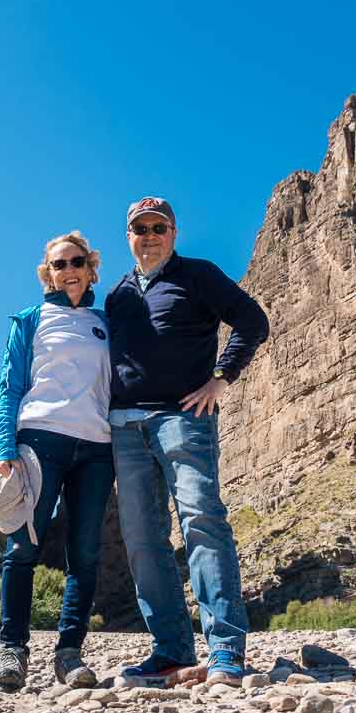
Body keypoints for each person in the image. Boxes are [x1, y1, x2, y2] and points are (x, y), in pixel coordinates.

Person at [106, 196, 269, 687]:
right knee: (142, 541)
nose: (150, 235)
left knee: (202, 523)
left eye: (159, 227)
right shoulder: (117, 295)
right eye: (141, 228)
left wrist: (221, 379)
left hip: (183, 419)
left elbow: (252, 321)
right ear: (129, 236)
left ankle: (224, 652)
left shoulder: (198, 275)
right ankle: (172, 652)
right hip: (125, 427)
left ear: (174, 233)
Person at [0, 230, 115, 691]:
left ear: (90, 267)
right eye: (59, 264)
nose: (68, 271)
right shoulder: (30, 320)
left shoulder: (106, 322)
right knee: (23, 548)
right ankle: (13, 652)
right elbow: (10, 388)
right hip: (39, 442)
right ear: (48, 272)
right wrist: (6, 448)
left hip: (97, 450)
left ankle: (69, 653)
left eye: (76, 262)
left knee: (84, 554)